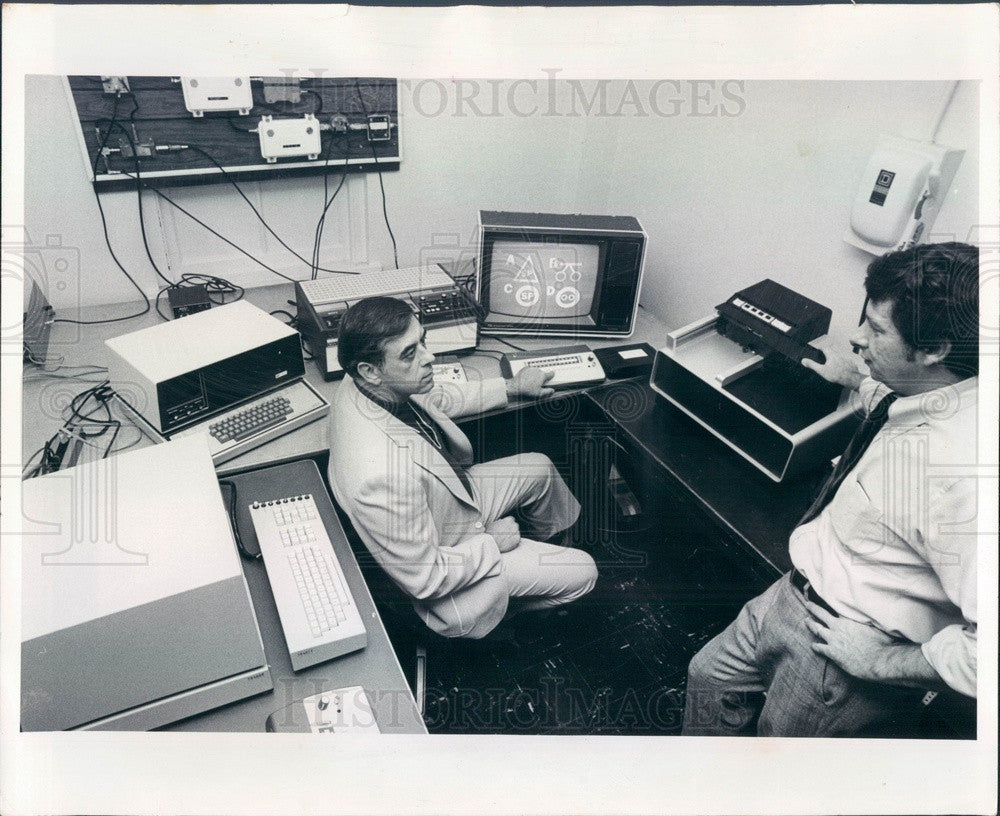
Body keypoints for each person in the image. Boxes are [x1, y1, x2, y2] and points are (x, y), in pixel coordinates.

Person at [682, 242, 980, 737]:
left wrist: (883, 661)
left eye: (877, 330)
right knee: (708, 677)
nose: (858, 340)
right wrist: (857, 380)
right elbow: (895, 411)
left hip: (842, 656)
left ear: (934, 350)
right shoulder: (936, 394)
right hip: (792, 593)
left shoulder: (962, 473)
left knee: (781, 774)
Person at [327, 296, 598, 639]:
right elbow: (425, 578)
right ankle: (507, 616)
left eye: (422, 341)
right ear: (371, 371)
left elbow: (436, 400)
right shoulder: (380, 475)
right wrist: (491, 543)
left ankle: (546, 551)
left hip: (446, 497)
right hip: (444, 557)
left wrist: (512, 387)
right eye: (410, 354)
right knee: (585, 572)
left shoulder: (365, 379)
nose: (429, 358)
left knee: (540, 469)